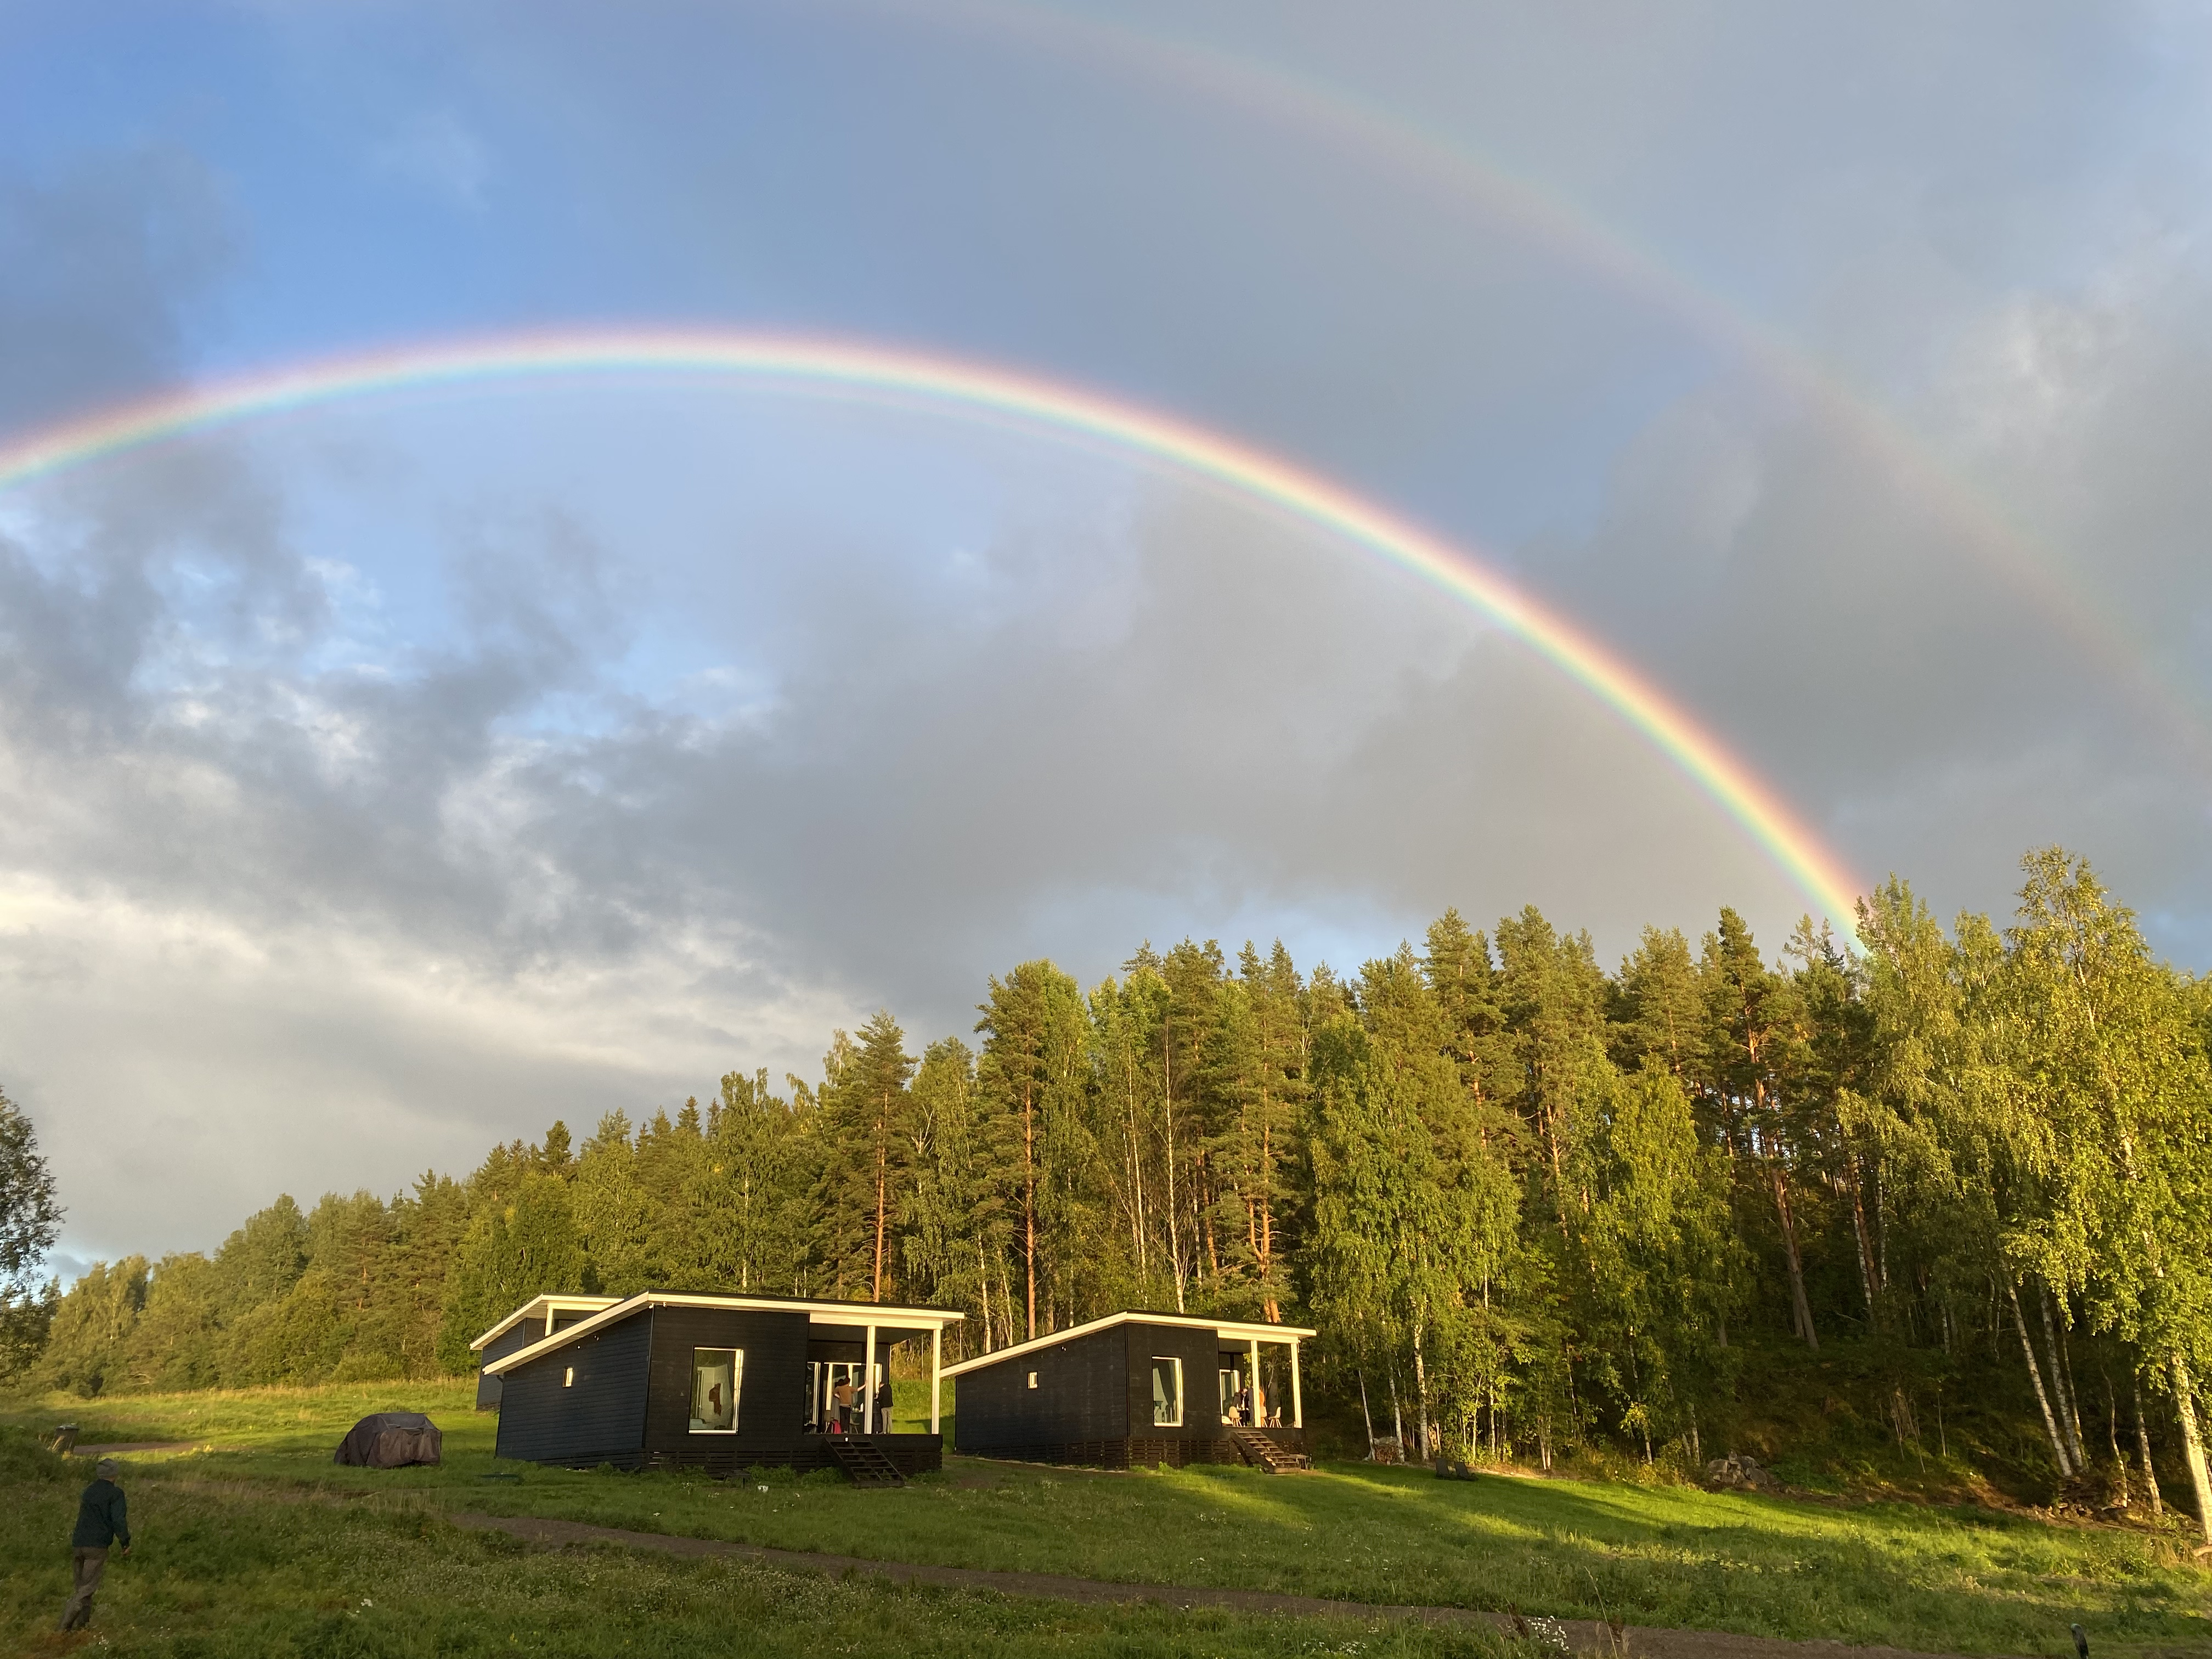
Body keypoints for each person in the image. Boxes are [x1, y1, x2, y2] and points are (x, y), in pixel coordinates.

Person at [60, 1457, 130, 1632]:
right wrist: (125, 1542)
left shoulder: (88, 1491)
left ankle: (81, 1628)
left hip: (79, 1543)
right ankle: (62, 1628)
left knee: (81, 1588)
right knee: (87, 1588)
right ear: (115, 1474)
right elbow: (118, 1520)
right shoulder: (115, 1494)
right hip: (97, 1546)